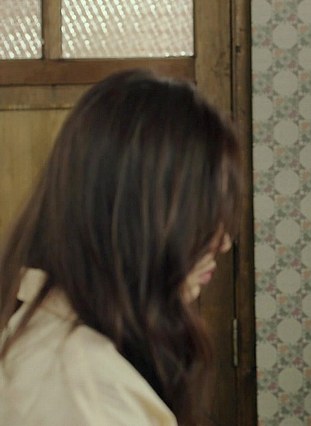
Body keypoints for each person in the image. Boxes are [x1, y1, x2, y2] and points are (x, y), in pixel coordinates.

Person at [0, 69, 244, 425]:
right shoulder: (83, 393)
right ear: (135, 214)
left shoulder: (65, 332)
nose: (223, 242)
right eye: (203, 214)